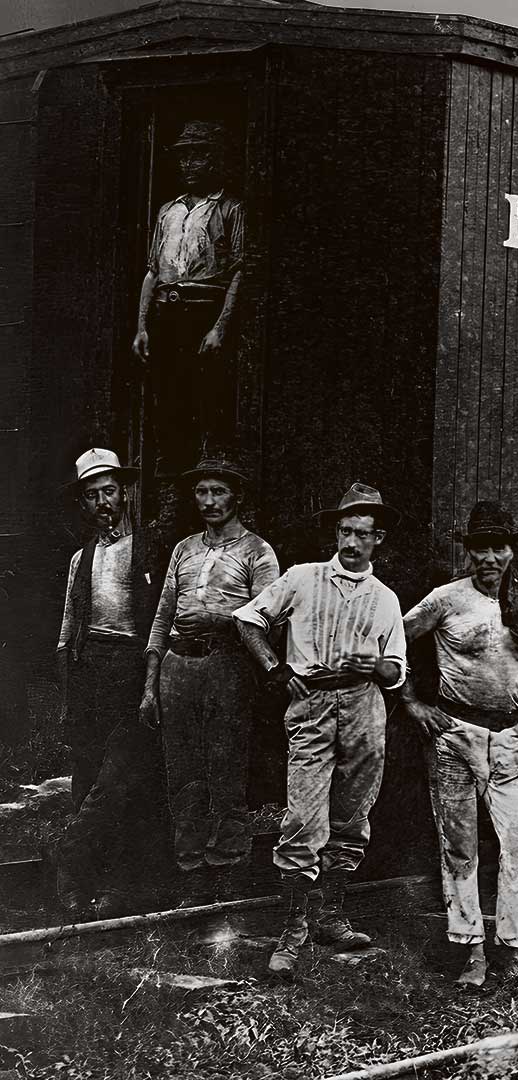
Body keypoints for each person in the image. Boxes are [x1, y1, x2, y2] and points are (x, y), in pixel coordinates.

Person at [233, 483, 408, 978]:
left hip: (364, 705)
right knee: (303, 818)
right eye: (346, 532)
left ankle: (331, 915)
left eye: (364, 535)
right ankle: (293, 929)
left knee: (351, 817)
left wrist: (375, 664)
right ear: (336, 531)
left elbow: (398, 672)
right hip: (310, 702)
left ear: (379, 540)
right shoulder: (302, 579)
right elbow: (247, 619)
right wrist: (275, 670)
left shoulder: (386, 599)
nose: (352, 543)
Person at [402, 502, 518, 987]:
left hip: (512, 737)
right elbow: (393, 638)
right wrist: (411, 701)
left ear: (511, 552)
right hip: (453, 735)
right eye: (480, 548)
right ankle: (471, 949)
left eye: (498, 547)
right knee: (459, 847)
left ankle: (512, 947)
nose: (489, 557)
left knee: (517, 845)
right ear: (468, 553)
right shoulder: (445, 599)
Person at [144, 458, 279, 904]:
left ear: (236, 496)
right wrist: (151, 683)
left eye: (218, 492)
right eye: (201, 492)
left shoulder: (258, 551)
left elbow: (268, 615)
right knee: (181, 769)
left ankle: (227, 869)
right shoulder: (183, 549)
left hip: (227, 666)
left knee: (225, 767)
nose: (208, 501)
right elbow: (163, 616)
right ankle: (190, 871)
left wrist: (223, 621)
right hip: (178, 668)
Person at [51, 449, 167, 916]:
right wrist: (67, 690)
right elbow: (66, 625)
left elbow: (163, 617)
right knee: (88, 774)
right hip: (89, 669)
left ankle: (118, 881)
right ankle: (76, 884)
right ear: (83, 503)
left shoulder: (151, 551)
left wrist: (152, 684)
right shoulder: (81, 558)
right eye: (92, 495)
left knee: (124, 781)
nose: (103, 501)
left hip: (132, 667)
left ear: (125, 493)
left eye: (110, 491)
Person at [131, 120, 250, 474]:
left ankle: (209, 480)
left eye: (198, 157)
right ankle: (173, 492)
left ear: (216, 160)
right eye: (184, 158)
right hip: (166, 317)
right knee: (168, 402)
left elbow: (241, 271)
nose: (188, 165)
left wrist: (220, 328)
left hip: (204, 314)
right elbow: (153, 271)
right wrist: (142, 327)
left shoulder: (231, 208)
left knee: (208, 401)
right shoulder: (168, 210)